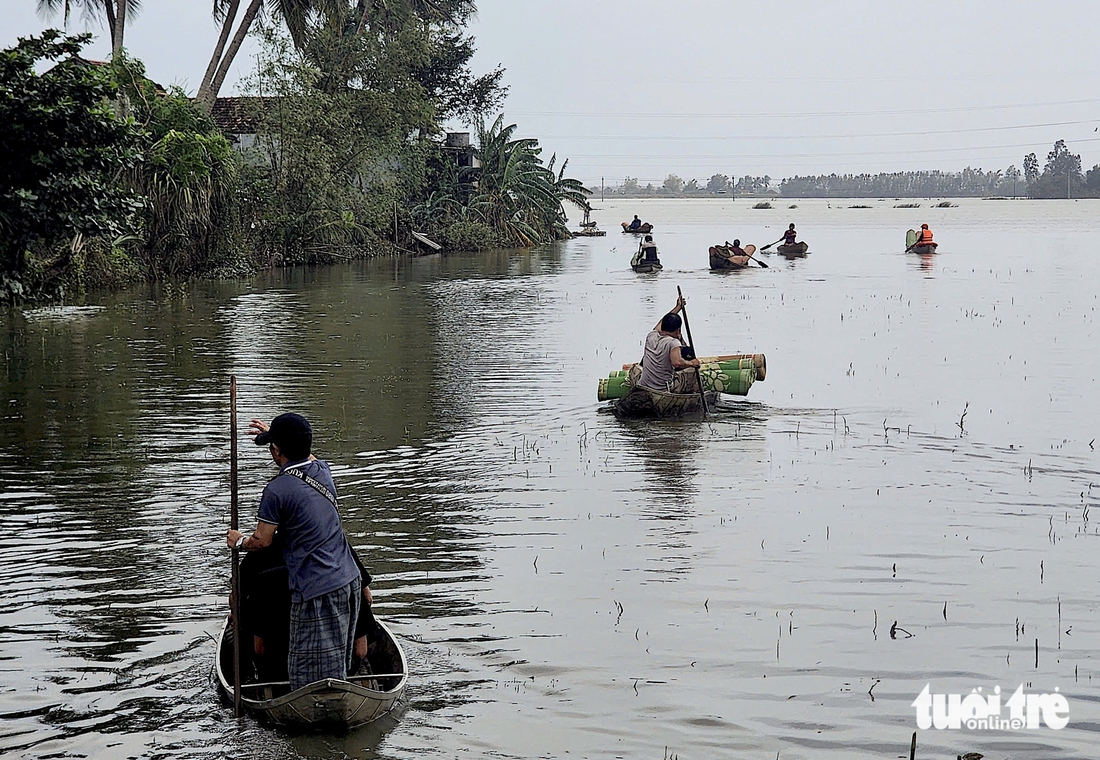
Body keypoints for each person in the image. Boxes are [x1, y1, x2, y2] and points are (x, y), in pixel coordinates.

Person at [226, 413, 365, 689]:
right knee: (336, 661)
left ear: (276, 451)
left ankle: (310, 706)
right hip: (348, 581)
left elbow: (263, 541)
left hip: (314, 589)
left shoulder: (276, 491)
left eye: (273, 446)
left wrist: (239, 541)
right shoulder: (323, 471)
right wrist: (274, 434)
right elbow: (303, 454)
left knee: (308, 672)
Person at [636, 295, 703, 394]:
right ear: (678, 330)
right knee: (693, 373)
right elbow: (677, 363)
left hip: (644, 385)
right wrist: (693, 363)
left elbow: (663, 322)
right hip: (662, 389)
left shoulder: (651, 335)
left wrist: (678, 307)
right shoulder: (673, 342)